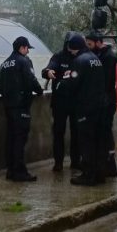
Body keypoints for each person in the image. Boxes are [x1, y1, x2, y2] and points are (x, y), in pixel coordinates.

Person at [0, 35, 44, 182]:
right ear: (22, 48)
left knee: (11, 139)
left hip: (8, 107)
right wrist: (40, 90)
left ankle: (11, 170)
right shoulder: (24, 61)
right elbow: (31, 80)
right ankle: (19, 172)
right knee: (19, 140)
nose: (28, 52)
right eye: (27, 48)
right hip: (21, 107)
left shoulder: (4, 64)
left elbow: (1, 88)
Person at [69, 33, 107, 186]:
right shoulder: (95, 59)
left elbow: (73, 84)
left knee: (86, 142)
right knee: (98, 142)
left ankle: (88, 174)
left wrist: (63, 84)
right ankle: (99, 174)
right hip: (99, 106)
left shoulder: (79, 60)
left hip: (85, 108)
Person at [42, 33, 83, 172]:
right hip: (60, 102)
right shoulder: (59, 56)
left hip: (76, 102)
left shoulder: (80, 57)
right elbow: (47, 69)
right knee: (58, 132)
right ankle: (58, 162)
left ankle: (76, 161)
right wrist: (48, 72)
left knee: (76, 133)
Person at [86, 31, 117, 178]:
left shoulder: (108, 57)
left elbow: (105, 81)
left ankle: (109, 165)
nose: (89, 47)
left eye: (90, 44)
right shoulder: (101, 55)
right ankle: (104, 165)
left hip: (107, 100)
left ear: (98, 42)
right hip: (103, 100)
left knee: (105, 132)